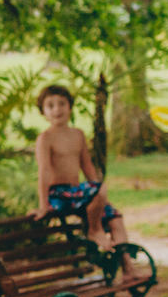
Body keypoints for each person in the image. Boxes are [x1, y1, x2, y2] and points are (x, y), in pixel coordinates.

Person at [28, 84, 130, 255]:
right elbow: (44, 171)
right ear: (43, 111)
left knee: (115, 219)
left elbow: (87, 166)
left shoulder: (78, 134)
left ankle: (128, 269)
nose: (57, 109)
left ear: (70, 106)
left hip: (79, 195)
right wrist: (43, 205)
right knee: (98, 189)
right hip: (59, 195)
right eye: (50, 105)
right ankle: (94, 230)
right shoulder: (45, 139)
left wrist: (100, 197)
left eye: (62, 103)